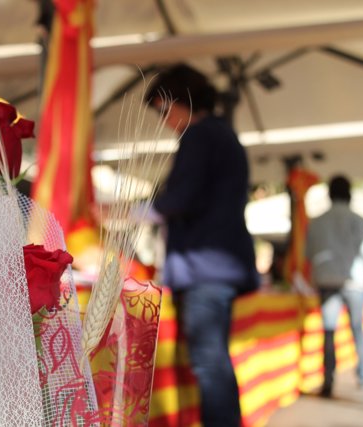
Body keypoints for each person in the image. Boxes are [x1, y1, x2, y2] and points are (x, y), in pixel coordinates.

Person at [144, 64, 259, 427]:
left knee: (209, 364)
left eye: (164, 110)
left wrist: (132, 212)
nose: (164, 120)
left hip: (204, 268)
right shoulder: (223, 134)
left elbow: (179, 199)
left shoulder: (199, 136)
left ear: (180, 101)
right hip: (218, 266)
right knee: (214, 362)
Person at [306, 175, 363, 398]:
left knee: (329, 331)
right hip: (354, 281)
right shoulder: (356, 219)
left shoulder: (317, 222)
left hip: (327, 280)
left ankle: (328, 379)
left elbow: (307, 254)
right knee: (357, 328)